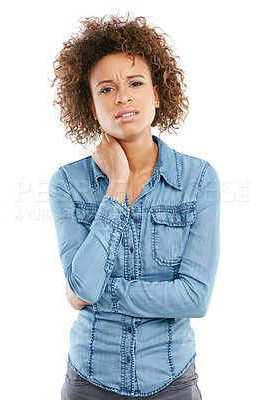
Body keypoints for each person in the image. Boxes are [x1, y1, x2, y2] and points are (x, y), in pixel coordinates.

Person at [49, 11, 221, 400]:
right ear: (92, 107)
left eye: (135, 83)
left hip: (172, 381)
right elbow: (83, 285)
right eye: (106, 89)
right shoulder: (67, 183)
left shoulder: (198, 179)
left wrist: (92, 295)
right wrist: (118, 185)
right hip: (89, 382)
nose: (122, 96)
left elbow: (195, 297)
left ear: (157, 94)